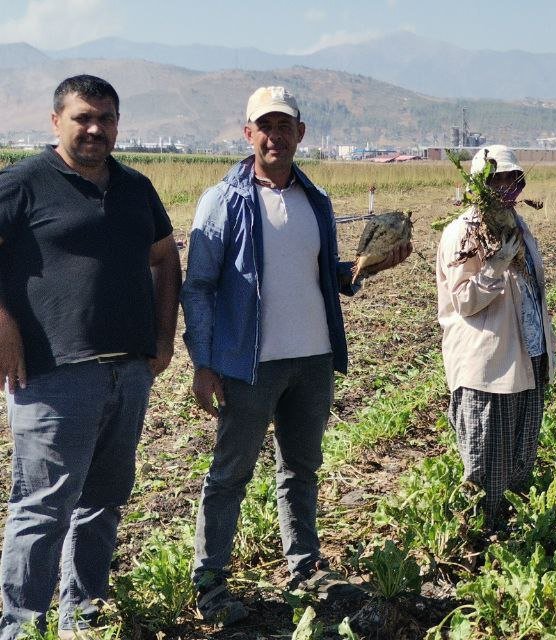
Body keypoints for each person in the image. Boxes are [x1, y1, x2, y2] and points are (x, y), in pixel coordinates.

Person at [181, 86, 410, 625]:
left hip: (312, 358)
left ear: (300, 134)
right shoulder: (224, 200)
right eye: (264, 126)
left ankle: (304, 566)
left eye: (285, 126)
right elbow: (199, 285)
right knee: (230, 473)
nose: (274, 136)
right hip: (249, 363)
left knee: (301, 467)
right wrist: (204, 361)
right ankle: (210, 580)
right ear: (248, 134)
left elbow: (325, 275)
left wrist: (365, 267)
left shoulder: (316, 200)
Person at [0, 74, 180, 639]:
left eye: (106, 118)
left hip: (127, 372)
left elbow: (163, 259)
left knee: (103, 503)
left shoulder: (135, 188)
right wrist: (2, 323)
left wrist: (164, 333)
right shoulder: (23, 183)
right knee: (42, 510)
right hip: (53, 375)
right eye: (83, 117)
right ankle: (21, 628)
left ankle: (85, 622)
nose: (95, 129)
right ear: (57, 121)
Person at [436, 144, 556, 530]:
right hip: (487, 369)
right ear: (478, 184)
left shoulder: (520, 226)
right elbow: (463, 300)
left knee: (521, 459)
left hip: (527, 358)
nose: (505, 186)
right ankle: (478, 545)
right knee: (485, 466)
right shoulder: (463, 232)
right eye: (496, 179)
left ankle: (512, 538)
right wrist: (494, 267)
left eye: (512, 178)